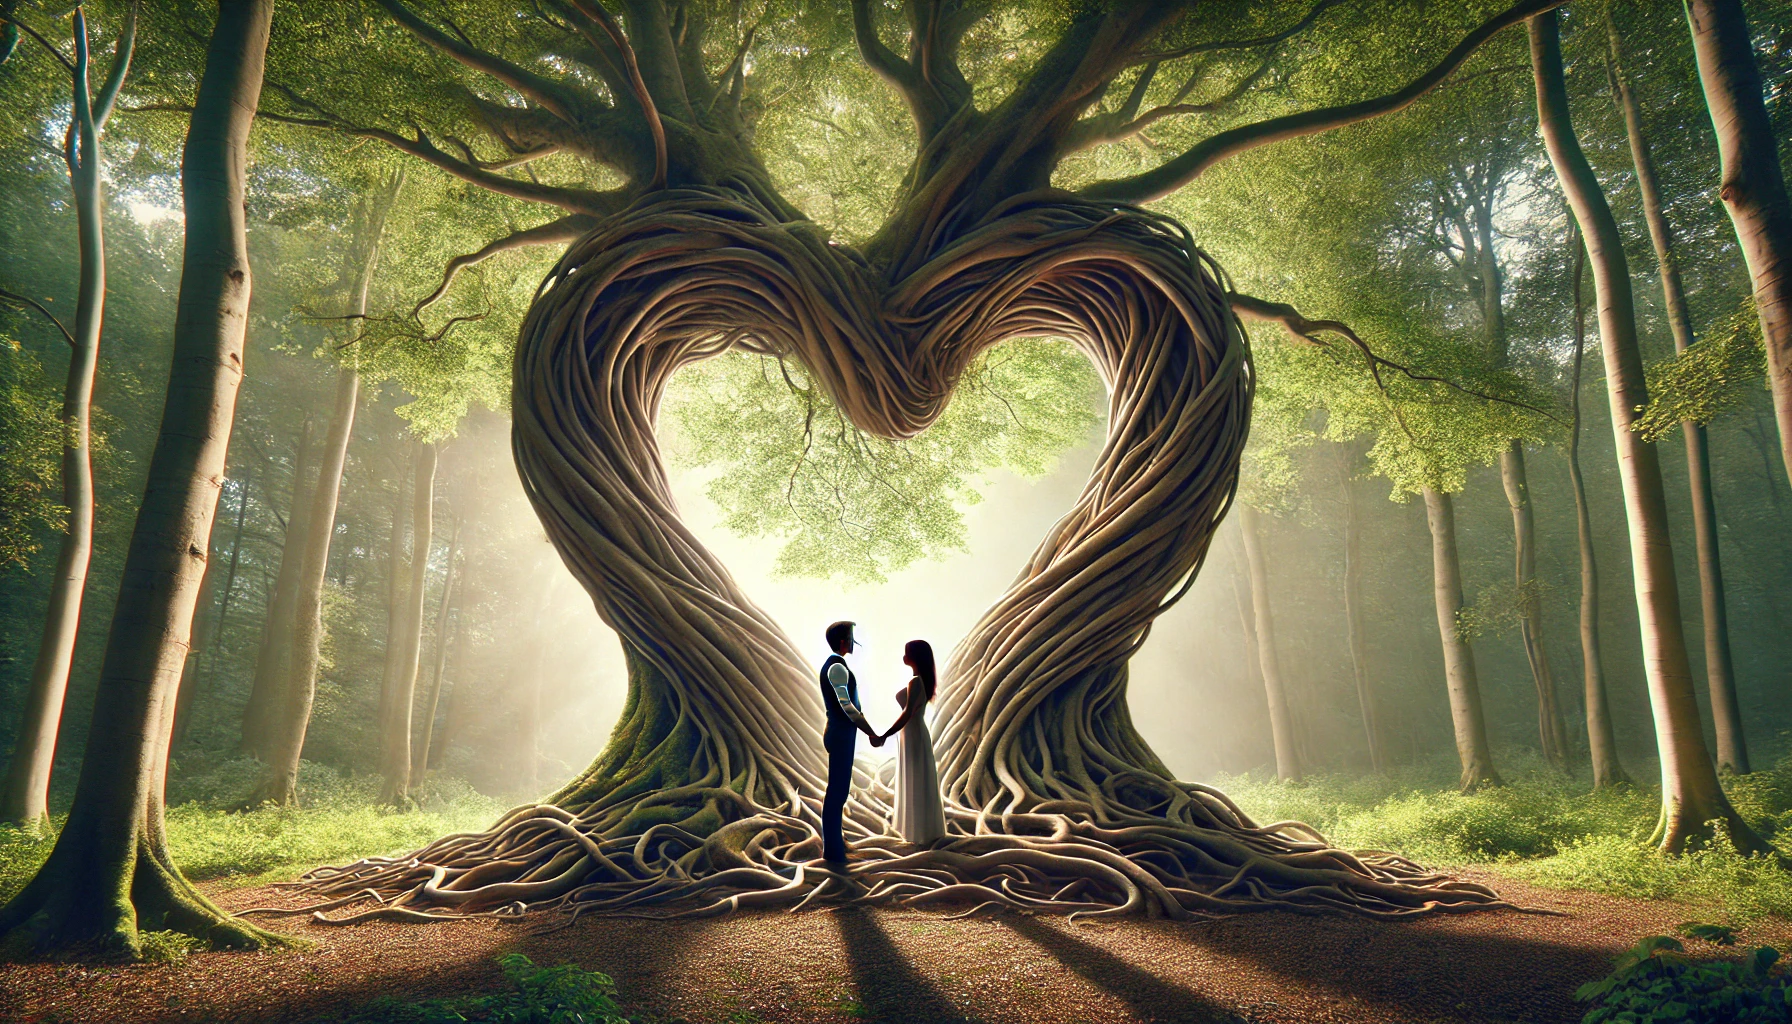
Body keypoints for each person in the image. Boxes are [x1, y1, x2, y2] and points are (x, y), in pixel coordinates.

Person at [819, 621, 882, 864]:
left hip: (840, 733)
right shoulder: (836, 667)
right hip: (841, 734)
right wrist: (871, 732)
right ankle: (833, 852)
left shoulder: (835, 666)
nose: (854, 642)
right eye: (851, 637)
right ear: (844, 641)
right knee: (837, 791)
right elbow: (848, 707)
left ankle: (835, 845)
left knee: (838, 790)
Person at [879, 639, 947, 845]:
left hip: (912, 734)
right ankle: (918, 831)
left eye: (906, 652)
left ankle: (916, 834)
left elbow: (907, 714)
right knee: (916, 777)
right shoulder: (921, 681)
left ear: (914, 657)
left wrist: (884, 735)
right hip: (912, 734)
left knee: (914, 777)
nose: (903, 656)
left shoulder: (916, 682)